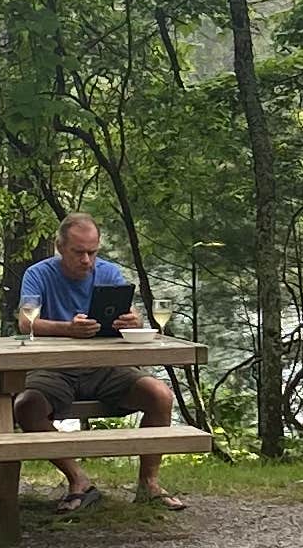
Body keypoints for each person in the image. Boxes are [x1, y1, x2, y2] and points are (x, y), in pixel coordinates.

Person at [14, 213, 182, 512]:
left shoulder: (109, 273)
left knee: (160, 396)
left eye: (93, 252)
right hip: (54, 368)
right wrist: (68, 329)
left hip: (106, 366)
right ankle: (79, 480)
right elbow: (26, 324)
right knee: (26, 406)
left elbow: (134, 318)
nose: (87, 260)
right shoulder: (38, 274)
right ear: (60, 247)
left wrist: (133, 321)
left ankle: (149, 484)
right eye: (79, 252)